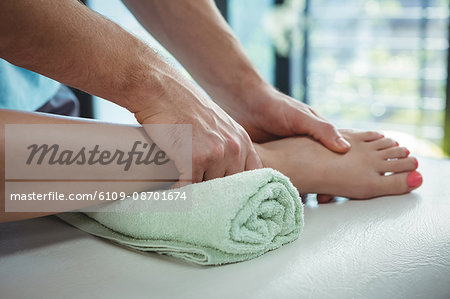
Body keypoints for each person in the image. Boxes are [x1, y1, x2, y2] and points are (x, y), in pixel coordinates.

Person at [0, 1, 422, 223]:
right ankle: (262, 164)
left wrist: (247, 92)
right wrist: (158, 87)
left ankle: (236, 158)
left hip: (39, 111)